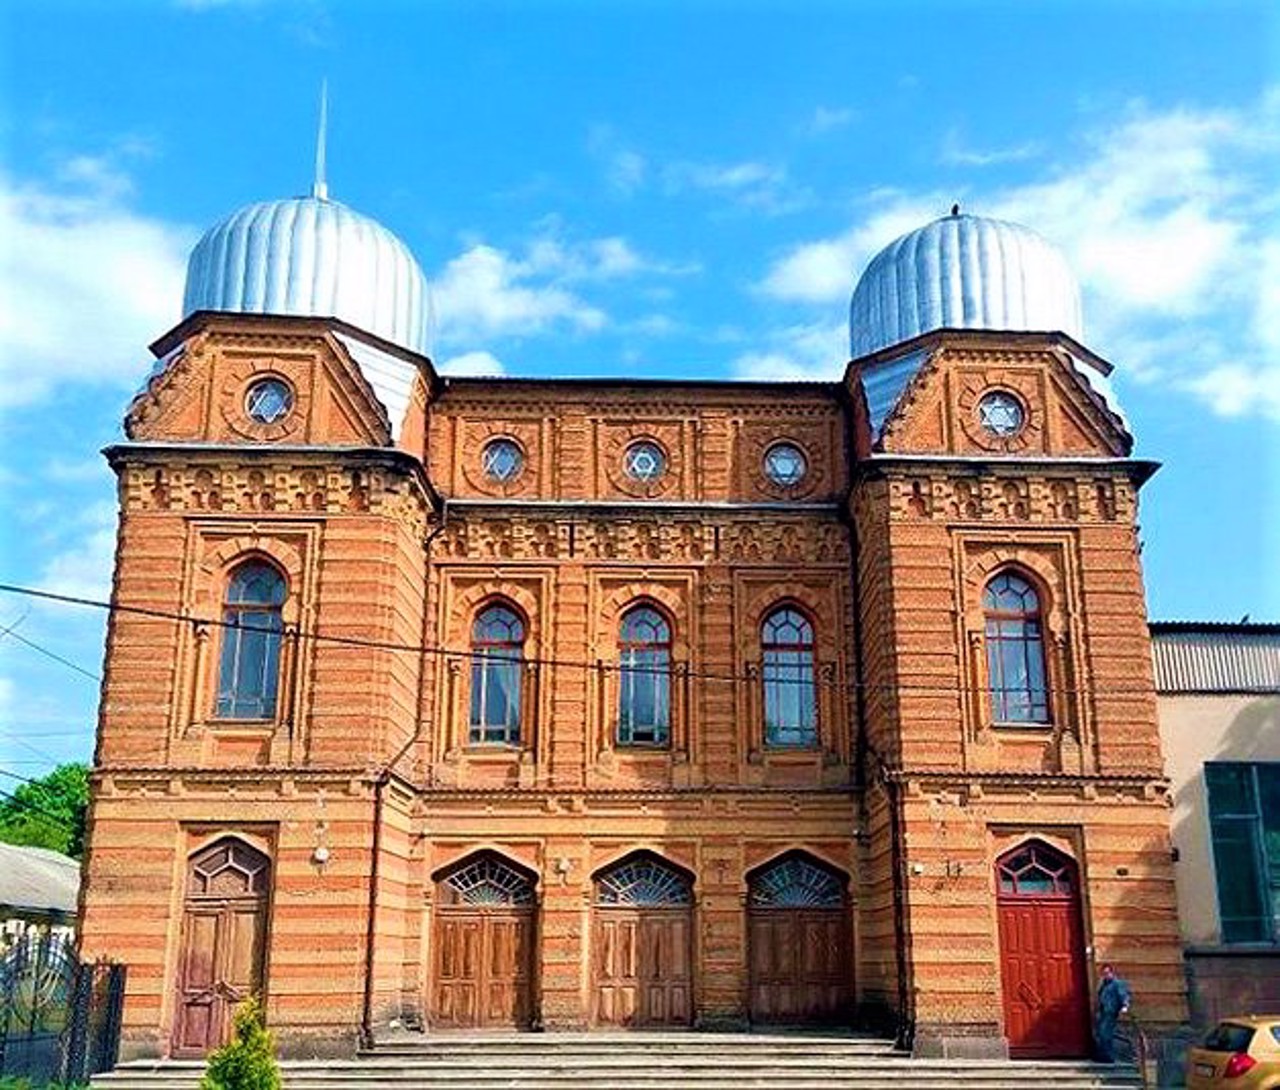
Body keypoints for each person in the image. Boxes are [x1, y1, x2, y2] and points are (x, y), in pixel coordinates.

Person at [1094, 963, 1132, 1063]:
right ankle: (1103, 1055)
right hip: (1103, 1012)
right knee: (1101, 1034)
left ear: (1112, 973)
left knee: (1106, 1034)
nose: (1105, 975)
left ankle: (1109, 1057)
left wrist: (1125, 1006)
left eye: (1107, 973)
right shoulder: (1104, 985)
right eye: (1103, 973)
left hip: (1111, 1012)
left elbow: (1123, 995)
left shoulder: (1117, 984)